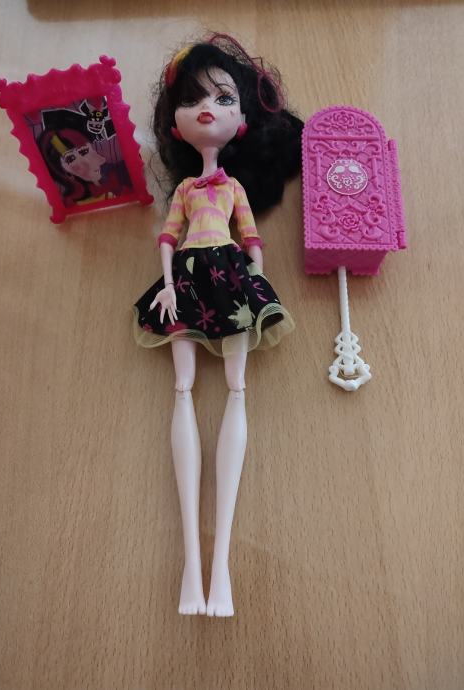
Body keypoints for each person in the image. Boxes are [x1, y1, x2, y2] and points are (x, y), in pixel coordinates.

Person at [133, 33, 302, 616]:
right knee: (181, 389)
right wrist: (168, 285)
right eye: (193, 98)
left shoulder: (232, 188)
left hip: (228, 276)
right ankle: (191, 566)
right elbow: (166, 239)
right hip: (187, 277)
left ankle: (220, 566)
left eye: (223, 98)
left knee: (236, 387)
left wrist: (256, 286)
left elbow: (252, 241)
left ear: (242, 121)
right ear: (176, 125)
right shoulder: (185, 189)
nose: (207, 107)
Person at [37, 127, 124, 206]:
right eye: (70, 159)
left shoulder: (119, 173)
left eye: (84, 152)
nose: (84, 162)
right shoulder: (71, 203)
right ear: (66, 173)